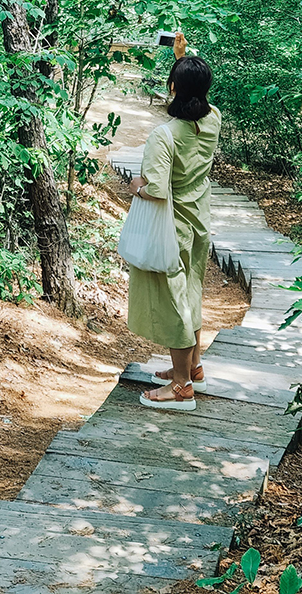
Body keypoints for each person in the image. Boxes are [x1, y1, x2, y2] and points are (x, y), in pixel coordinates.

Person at [126, 49, 221, 412]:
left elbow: (156, 188)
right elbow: (196, 87)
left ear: (171, 88)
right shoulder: (213, 119)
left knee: (176, 302)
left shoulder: (164, 136)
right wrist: (186, 56)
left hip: (172, 229)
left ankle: (181, 389)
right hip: (199, 222)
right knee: (191, 292)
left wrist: (136, 185)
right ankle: (192, 368)